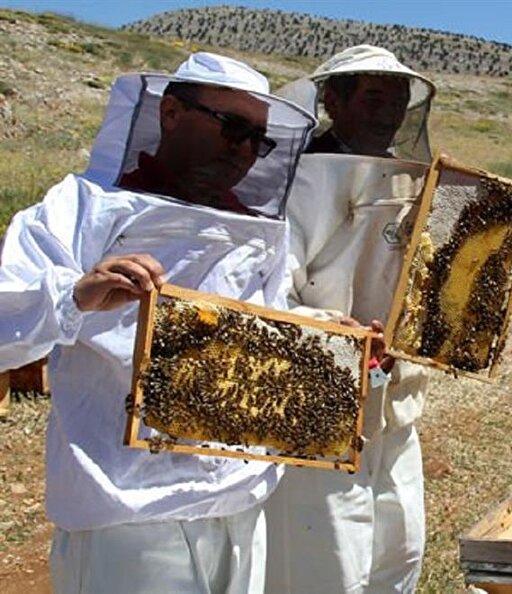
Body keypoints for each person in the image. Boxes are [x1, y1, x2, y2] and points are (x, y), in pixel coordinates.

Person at [0, 52, 316, 594]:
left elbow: (264, 324)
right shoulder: (83, 205)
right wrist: (75, 296)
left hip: (240, 501)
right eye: (231, 126)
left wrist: (321, 333)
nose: (244, 149)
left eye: (258, 139)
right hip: (128, 512)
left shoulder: (257, 227)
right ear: (170, 113)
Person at [264, 46, 437, 594]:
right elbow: (271, 290)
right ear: (333, 101)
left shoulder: (405, 178)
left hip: (396, 401)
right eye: (374, 98)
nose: (389, 113)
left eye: (398, 100)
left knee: (399, 547)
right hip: (321, 396)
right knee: (328, 559)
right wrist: (334, 330)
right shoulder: (299, 180)